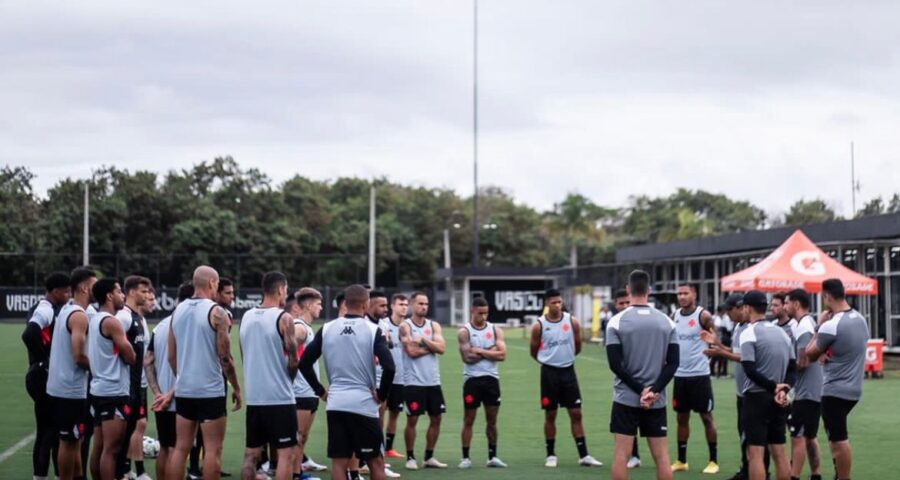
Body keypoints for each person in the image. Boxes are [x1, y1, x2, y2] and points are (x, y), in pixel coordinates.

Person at [299, 284, 396, 480]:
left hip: (336, 404)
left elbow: (304, 363)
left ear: (345, 303)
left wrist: (320, 391)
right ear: (366, 304)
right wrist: (381, 394)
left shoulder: (326, 329)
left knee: (339, 462)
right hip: (363, 405)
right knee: (376, 461)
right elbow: (390, 367)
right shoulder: (373, 330)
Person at [166, 266, 242, 480]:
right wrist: (236, 387)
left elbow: (171, 356)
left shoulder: (177, 310)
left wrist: (182, 377)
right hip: (209, 390)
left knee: (181, 448)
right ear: (211, 283)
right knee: (212, 450)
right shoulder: (216, 312)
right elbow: (225, 358)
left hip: (184, 389)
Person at [606, 269, 678, 480]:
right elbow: (673, 363)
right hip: (656, 400)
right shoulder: (667, 322)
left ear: (628, 290)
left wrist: (640, 390)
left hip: (626, 399)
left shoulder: (616, 322)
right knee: (662, 457)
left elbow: (615, 364)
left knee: (621, 455)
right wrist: (653, 391)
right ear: (649, 290)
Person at [529, 289, 603, 468]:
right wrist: (549, 360)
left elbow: (577, 346)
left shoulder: (572, 321)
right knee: (550, 414)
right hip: (549, 373)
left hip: (568, 372)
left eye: (559, 302)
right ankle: (551, 455)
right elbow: (533, 350)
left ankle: (584, 455)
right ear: (547, 303)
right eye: (553, 302)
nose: (557, 305)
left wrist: (565, 358)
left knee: (576, 413)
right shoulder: (539, 325)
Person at [805, 279, 868, 480]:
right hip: (855, 388)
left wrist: (818, 326)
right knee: (834, 433)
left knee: (838, 440)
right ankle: (839, 474)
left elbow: (809, 354)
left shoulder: (830, 326)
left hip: (835, 390)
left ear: (827, 297)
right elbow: (846, 348)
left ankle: (843, 477)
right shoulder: (860, 318)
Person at [239, 271, 300, 480]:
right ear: (281, 289)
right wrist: (288, 381)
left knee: (251, 455)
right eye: (286, 290)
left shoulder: (246, 316)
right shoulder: (284, 318)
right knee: (286, 455)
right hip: (279, 398)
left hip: (255, 398)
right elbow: (293, 361)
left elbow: (243, 354)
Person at [739, 290, 796, 480]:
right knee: (779, 452)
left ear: (747, 308)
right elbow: (792, 369)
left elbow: (749, 370)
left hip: (756, 398)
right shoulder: (782, 333)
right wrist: (784, 388)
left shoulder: (749, 332)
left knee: (755, 454)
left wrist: (773, 387)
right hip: (779, 399)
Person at [47, 267, 96, 480]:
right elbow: (78, 356)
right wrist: (100, 371)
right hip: (70, 389)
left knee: (76, 440)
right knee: (68, 442)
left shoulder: (67, 309)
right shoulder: (78, 316)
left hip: (61, 387)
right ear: (85, 287)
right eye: (94, 284)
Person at [22, 271, 70, 480]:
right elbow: (29, 334)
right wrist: (46, 362)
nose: (69, 295)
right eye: (67, 291)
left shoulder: (51, 308)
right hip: (42, 376)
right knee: (48, 432)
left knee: (52, 432)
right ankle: (40, 476)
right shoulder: (45, 308)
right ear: (56, 291)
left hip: (41, 375)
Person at [87, 278, 137, 480]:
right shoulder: (111, 322)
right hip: (113, 391)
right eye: (119, 291)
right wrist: (130, 351)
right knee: (112, 450)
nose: (123, 296)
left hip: (98, 389)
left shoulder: (96, 319)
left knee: (99, 447)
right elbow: (130, 355)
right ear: (109, 296)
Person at [145, 281, 193, 480]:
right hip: (180, 397)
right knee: (178, 450)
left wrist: (157, 392)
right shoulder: (187, 326)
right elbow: (189, 365)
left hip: (161, 398)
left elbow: (147, 360)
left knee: (165, 447)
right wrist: (170, 394)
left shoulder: (161, 325)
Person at [670, 284, 719, 474]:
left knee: (706, 417)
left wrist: (712, 346)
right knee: (681, 418)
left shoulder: (703, 315)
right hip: (680, 376)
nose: (682, 296)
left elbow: (716, 338)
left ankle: (713, 460)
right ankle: (682, 460)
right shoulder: (674, 316)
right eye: (679, 293)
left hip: (700, 376)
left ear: (694, 294)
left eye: (685, 293)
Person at [702, 294, 750, 480]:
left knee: (752, 435)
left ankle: (756, 471)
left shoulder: (749, 328)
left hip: (750, 391)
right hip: (741, 390)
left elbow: (745, 357)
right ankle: (746, 469)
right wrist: (718, 344)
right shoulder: (739, 327)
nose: (728, 314)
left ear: (740, 308)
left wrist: (720, 351)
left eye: (730, 310)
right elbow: (735, 351)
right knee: (743, 433)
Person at [457, 296, 508, 469]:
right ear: (472, 311)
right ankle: (465, 458)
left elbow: (502, 355)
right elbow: (467, 358)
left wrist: (478, 349)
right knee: (469, 420)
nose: (484, 317)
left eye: (486, 313)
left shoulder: (495, 330)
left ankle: (492, 457)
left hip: (492, 380)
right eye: (480, 313)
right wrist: (490, 350)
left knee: (492, 421)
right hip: (472, 381)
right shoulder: (464, 331)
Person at [399, 292, 448, 470]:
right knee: (412, 420)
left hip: (433, 381)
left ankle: (429, 457)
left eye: (426, 303)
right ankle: (410, 457)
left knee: (436, 419)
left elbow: (442, 348)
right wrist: (431, 347)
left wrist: (424, 341)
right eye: (420, 303)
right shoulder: (405, 326)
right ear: (412, 304)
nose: (424, 307)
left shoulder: (434, 325)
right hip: (413, 382)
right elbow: (411, 352)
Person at [116, 276, 153, 480]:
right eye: (143, 291)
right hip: (126, 387)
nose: (147, 295)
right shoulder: (123, 317)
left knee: (135, 427)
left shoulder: (139, 318)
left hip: (139, 385)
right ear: (131, 292)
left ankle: (127, 470)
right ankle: (123, 471)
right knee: (122, 434)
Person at [784, 289, 823, 480]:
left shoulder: (802, 326)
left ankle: (794, 476)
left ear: (796, 304)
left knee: (797, 436)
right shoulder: (809, 323)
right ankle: (816, 475)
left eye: (786, 303)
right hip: (812, 390)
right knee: (809, 435)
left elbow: (803, 362)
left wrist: (784, 368)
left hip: (805, 391)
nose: (784, 307)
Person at [290, 288, 327, 480]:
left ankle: (299, 472)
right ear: (307, 305)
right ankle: (294, 474)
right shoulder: (299, 328)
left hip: (309, 392)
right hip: (300, 393)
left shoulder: (308, 327)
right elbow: (288, 355)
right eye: (318, 304)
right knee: (297, 437)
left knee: (302, 438)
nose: (321, 307)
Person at [383, 294, 409, 460]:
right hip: (385, 377)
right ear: (392, 306)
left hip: (400, 378)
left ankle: (389, 448)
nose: (404, 307)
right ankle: (376, 447)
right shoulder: (384, 324)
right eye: (400, 304)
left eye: (406, 305)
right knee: (379, 413)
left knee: (395, 413)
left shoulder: (406, 327)